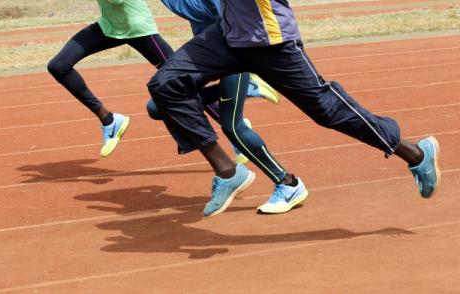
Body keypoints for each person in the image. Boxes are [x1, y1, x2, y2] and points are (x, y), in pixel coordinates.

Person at [147, 0, 441, 216]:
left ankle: (414, 153)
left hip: (271, 41)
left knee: (327, 110)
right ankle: (227, 171)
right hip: (227, 37)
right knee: (166, 85)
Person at [146, 0, 309, 216]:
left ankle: (288, 184)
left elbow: (206, 10)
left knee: (233, 126)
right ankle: (250, 87)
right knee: (157, 107)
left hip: (237, 52)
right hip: (210, 57)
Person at [47, 0, 174, 157]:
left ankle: (213, 121)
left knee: (184, 80)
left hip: (138, 28)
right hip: (109, 26)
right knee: (58, 66)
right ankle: (109, 120)